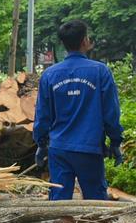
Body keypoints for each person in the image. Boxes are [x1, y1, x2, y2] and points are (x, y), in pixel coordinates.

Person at [34, 19, 124, 201]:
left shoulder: (50, 75)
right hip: (89, 148)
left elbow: (42, 115)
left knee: (59, 205)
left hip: (59, 149)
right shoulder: (100, 72)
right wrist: (115, 141)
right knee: (96, 205)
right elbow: (111, 113)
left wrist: (41, 143)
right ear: (84, 41)